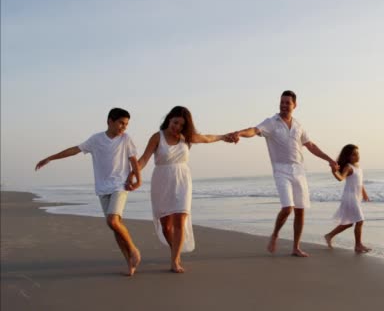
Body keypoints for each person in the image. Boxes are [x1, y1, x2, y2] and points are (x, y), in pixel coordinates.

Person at [230, 90, 338, 257]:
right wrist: (239, 133)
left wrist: (329, 159)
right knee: (288, 208)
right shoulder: (272, 122)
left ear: (294, 105)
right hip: (281, 170)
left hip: (299, 170)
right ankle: (275, 235)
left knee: (300, 210)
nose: (284, 105)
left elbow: (310, 145)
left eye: (288, 102)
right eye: (282, 102)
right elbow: (254, 130)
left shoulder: (298, 125)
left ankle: (296, 247)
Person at [35, 108, 142, 276]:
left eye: (126, 124)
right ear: (110, 121)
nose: (124, 127)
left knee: (113, 221)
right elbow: (74, 150)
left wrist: (138, 180)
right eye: (121, 123)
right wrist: (50, 158)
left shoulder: (126, 139)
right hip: (102, 188)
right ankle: (130, 263)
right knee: (114, 225)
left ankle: (134, 250)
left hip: (119, 186)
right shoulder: (96, 139)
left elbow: (133, 160)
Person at [135, 106, 234, 273]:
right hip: (162, 181)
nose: (177, 127)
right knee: (166, 225)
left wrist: (224, 137)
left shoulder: (185, 137)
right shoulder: (157, 137)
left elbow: (207, 138)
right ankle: (176, 252)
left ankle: (174, 261)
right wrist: (133, 173)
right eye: (175, 122)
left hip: (182, 180)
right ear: (169, 119)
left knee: (181, 218)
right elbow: (144, 159)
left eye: (181, 125)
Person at [324, 144, 372, 254]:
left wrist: (364, 194)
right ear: (348, 157)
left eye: (357, 154)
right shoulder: (349, 167)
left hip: (357, 197)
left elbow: (360, 182)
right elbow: (341, 178)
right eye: (353, 155)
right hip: (350, 197)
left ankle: (329, 235)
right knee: (360, 220)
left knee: (350, 223)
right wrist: (333, 171)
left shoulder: (358, 167)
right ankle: (358, 245)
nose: (357, 156)